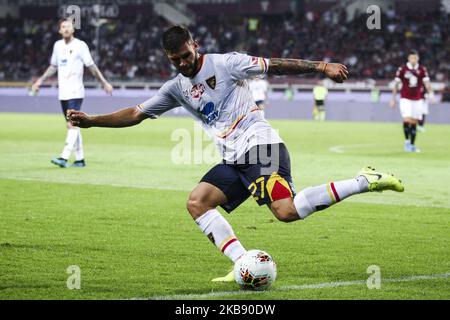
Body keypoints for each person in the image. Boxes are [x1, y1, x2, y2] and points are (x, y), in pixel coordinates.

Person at [68, 26, 404, 281]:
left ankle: (365, 180)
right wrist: (93, 121)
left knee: (285, 211)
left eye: (186, 55)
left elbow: (275, 66)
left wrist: (321, 66)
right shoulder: (176, 88)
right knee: (197, 202)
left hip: (262, 146)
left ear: (194, 44)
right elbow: (136, 113)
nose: (184, 63)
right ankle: (242, 263)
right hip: (234, 159)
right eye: (176, 60)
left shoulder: (226, 63)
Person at [31, 18, 113, 168]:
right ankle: (80, 159)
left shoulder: (80, 46)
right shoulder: (57, 46)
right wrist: (40, 81)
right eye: (63, 27)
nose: (66, 29)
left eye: (69, 26)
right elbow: (53, 66)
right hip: (63, 93)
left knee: (71, 125)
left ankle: (64, 157)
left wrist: (104, 82)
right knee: (74, 125)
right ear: (60, 30)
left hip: (75, 91)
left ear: (73, 29)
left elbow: (91, 66)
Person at [390, 50, 434, 152]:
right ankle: (406, 142)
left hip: (417, 99)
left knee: (414, 122)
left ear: (418, 58)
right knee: (407, 120)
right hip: (405, 98)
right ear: (408, 58)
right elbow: (396, 84)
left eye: (415, 58)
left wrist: (431, 95)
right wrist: (393, 98)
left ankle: (412, 145)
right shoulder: (402, 69)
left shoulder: (422, 69)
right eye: (412, 58)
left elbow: (427, 83)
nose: (413, 60)